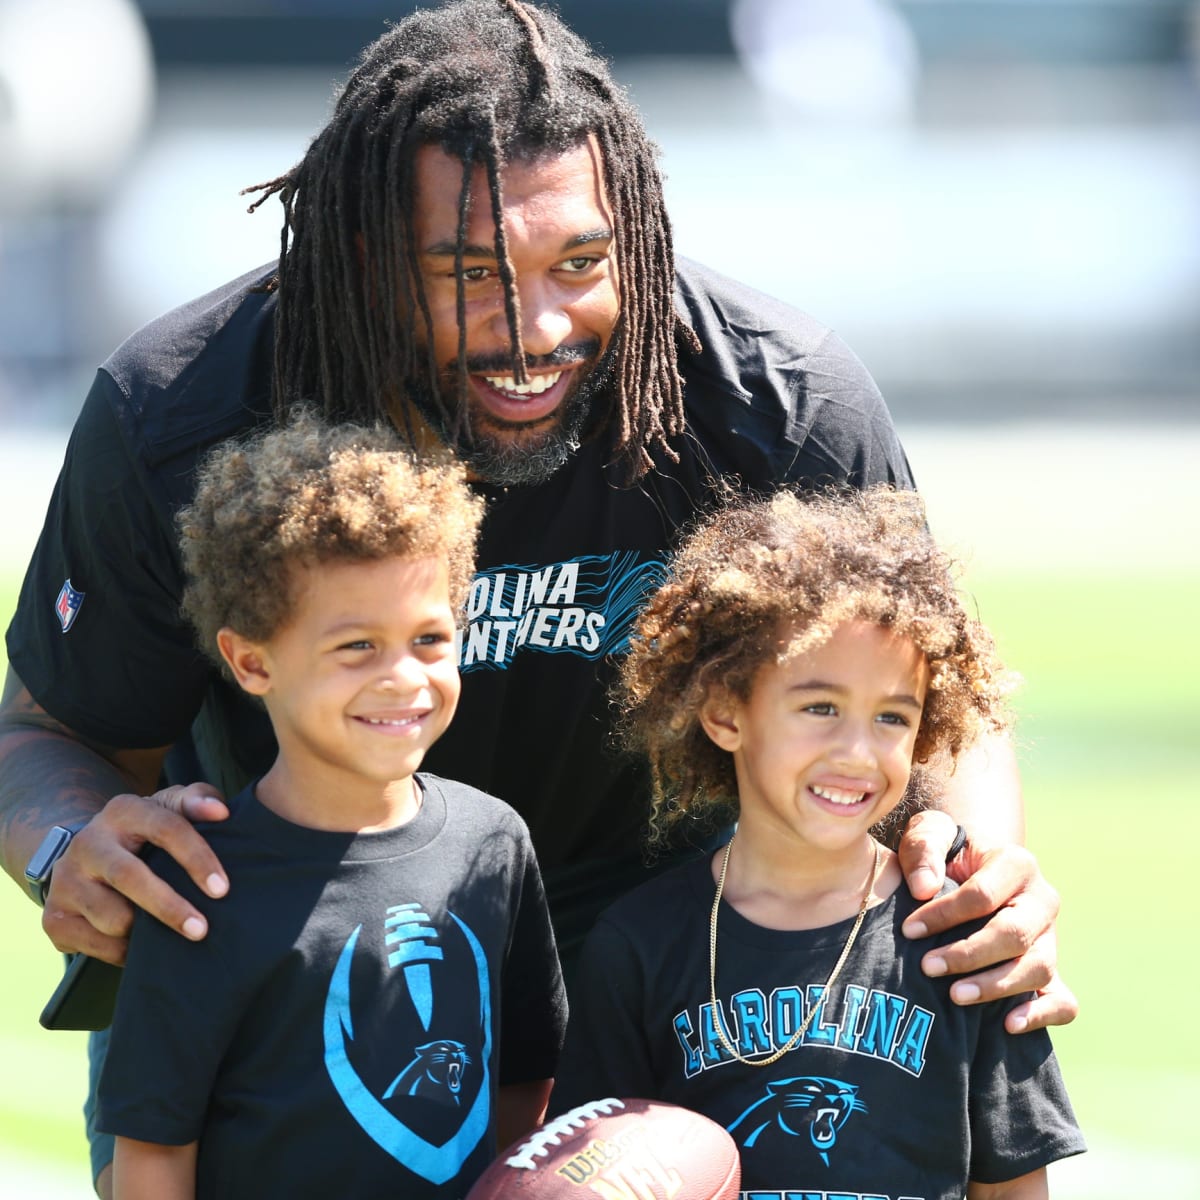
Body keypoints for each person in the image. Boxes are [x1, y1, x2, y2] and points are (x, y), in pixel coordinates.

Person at [0, 1, 1072, 1193]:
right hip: (303, 968)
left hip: (678, 964)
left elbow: (938, 702)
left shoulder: (774, 401)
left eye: (579, 264)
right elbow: (48, 731)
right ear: (362, 254)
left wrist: (979, 867)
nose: (534, 330)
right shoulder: (185, 412)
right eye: (467, 273)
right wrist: (67, 844)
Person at [549, 485, 1086, 1197]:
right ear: (723, 713)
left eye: (893, 718)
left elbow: (1015, 1186)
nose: (858, 752)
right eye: (820, 707)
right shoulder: (640, 942)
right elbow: (590, 1173)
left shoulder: (964, 940)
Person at [96, 412, 566, 1200]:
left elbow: (524, 1088)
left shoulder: (496, 842)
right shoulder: (201, 883)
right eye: (357, 647)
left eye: (429, 639)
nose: (403, 678)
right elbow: (151, 1155)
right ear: (251, 662)